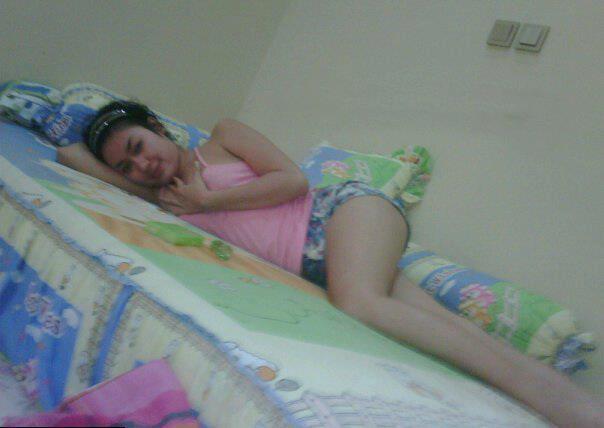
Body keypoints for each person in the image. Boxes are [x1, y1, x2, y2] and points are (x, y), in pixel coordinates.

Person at [58, 100, 603, 427]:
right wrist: (176, 194)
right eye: (127, 166)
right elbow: (69, 155)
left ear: (156, 126)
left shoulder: (220, 141)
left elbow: (293, 181)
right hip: (329, 261)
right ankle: (575, 410)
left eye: (138, 145)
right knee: (452, 334)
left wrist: (209, 199)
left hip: (342, 213)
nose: (141, 164)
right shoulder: (167, 198)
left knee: (360, 303)